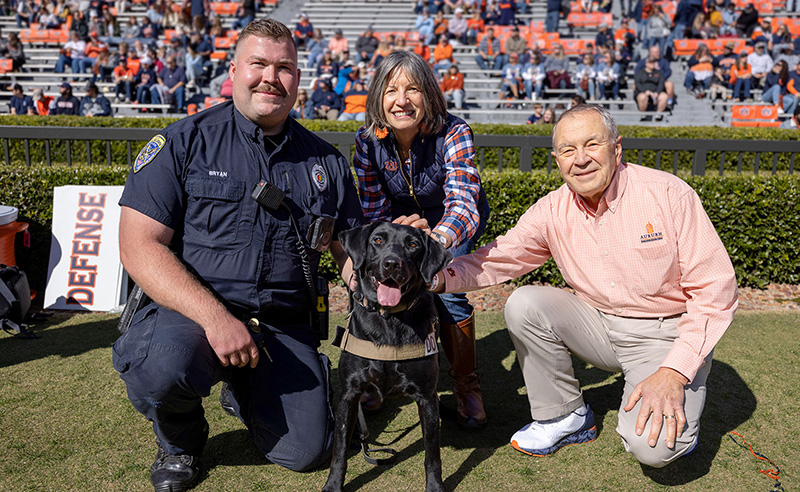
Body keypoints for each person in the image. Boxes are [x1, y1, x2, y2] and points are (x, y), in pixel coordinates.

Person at [113, 19, 365, 492]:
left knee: (307, 452)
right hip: (189, 316)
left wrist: (377, 302)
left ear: (298, 80)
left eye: (285, 67)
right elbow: (138, 245)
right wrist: (215, 319)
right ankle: (180, 440)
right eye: (259, 64)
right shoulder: (185, 141)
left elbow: (348, 252)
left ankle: (245, 389)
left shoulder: (327, 164)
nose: (272, 77)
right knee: (165, 366)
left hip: (281, 327)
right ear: (233, 71)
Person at [429, 104, 737, 468]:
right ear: (556, 159)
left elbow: (715, 289)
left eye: (592, 144)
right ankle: (565, 417)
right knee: (524, 303)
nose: (581, 159)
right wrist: (433, 278)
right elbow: (498, 259)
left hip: (663, 335)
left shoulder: (669, 194)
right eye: (568, 150)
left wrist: (674, 371)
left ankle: (680, 403)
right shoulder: (551, 210)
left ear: (616, 148)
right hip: (598, 324)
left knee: (653, 450)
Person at [352, 50, 490, 429]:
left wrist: (437, 241)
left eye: (413, 88)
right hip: (401, 223)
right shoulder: (367, 141)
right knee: (382, 284)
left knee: (447, 291)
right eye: (392, 90)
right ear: (378, 96)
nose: (402, 100)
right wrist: (399, 237)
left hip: (451, 222)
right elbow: (372, 210)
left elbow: (464, 200)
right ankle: (378, 375)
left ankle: (465, 386)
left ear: (429, 94)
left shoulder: (454, 131)